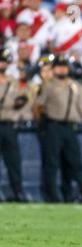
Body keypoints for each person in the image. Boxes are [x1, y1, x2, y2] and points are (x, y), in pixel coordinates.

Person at [34, 55, 82, 203]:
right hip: (53, 125)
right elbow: (38, 106)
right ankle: (52, 195)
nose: (62, 69)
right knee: (52, 163)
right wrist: (41, 125)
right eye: (59, 66)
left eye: (64, 66)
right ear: (54, 69)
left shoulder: (74, 85)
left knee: (75, 162)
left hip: (70, 127)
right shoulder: (48, 85)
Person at [0, 47, 27, 202]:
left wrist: (20, 102)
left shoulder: (13, 81)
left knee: (13, 161)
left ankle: (17, 191)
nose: (1, 64)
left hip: (9, 124)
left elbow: (23, 98)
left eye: (4, 61)